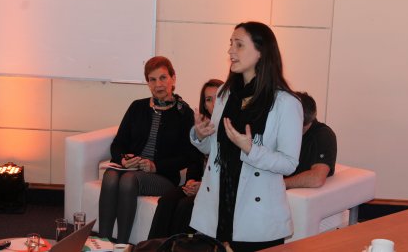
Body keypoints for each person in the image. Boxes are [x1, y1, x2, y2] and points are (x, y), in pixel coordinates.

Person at [190, 22, 303, 252]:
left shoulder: (286, 104)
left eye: (239, 45)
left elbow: (289, 163)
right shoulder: (225, 95)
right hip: (219, 205)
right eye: (230, 44)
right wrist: (201, 136)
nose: (231, 51)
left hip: (257, 215)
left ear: (261, 52)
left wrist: (251, 150)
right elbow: (213, 151)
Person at [98, 56, 201, 243]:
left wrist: (155, 166)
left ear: (173, 79)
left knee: (128, 180)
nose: (158, 84)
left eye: (163, 78)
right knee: (110, 176)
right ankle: (103, 242)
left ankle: (122, 245)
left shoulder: (184, 114)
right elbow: (118, 143)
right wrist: (123, 159)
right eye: (152, 80)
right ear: (148, 83)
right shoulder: (137, 107)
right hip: (132, 168)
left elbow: (189, 156)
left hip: (163, 177)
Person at [148, 79, 224, 239]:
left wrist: (202, 186)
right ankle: (154, 248)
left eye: (218, 97)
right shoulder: (202, 126)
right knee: (166, 200)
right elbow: (193, 159)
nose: (213, 103)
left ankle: (175, 248)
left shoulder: (231, 128)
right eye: (208, 99)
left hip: (218, 190)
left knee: (185, 206)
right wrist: (191, 181)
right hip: (198, 184)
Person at [284, 91, 337, 189]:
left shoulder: (323, 135)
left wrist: (279, 185)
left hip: (285, 190)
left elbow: (317, 178)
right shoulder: (283, 131)